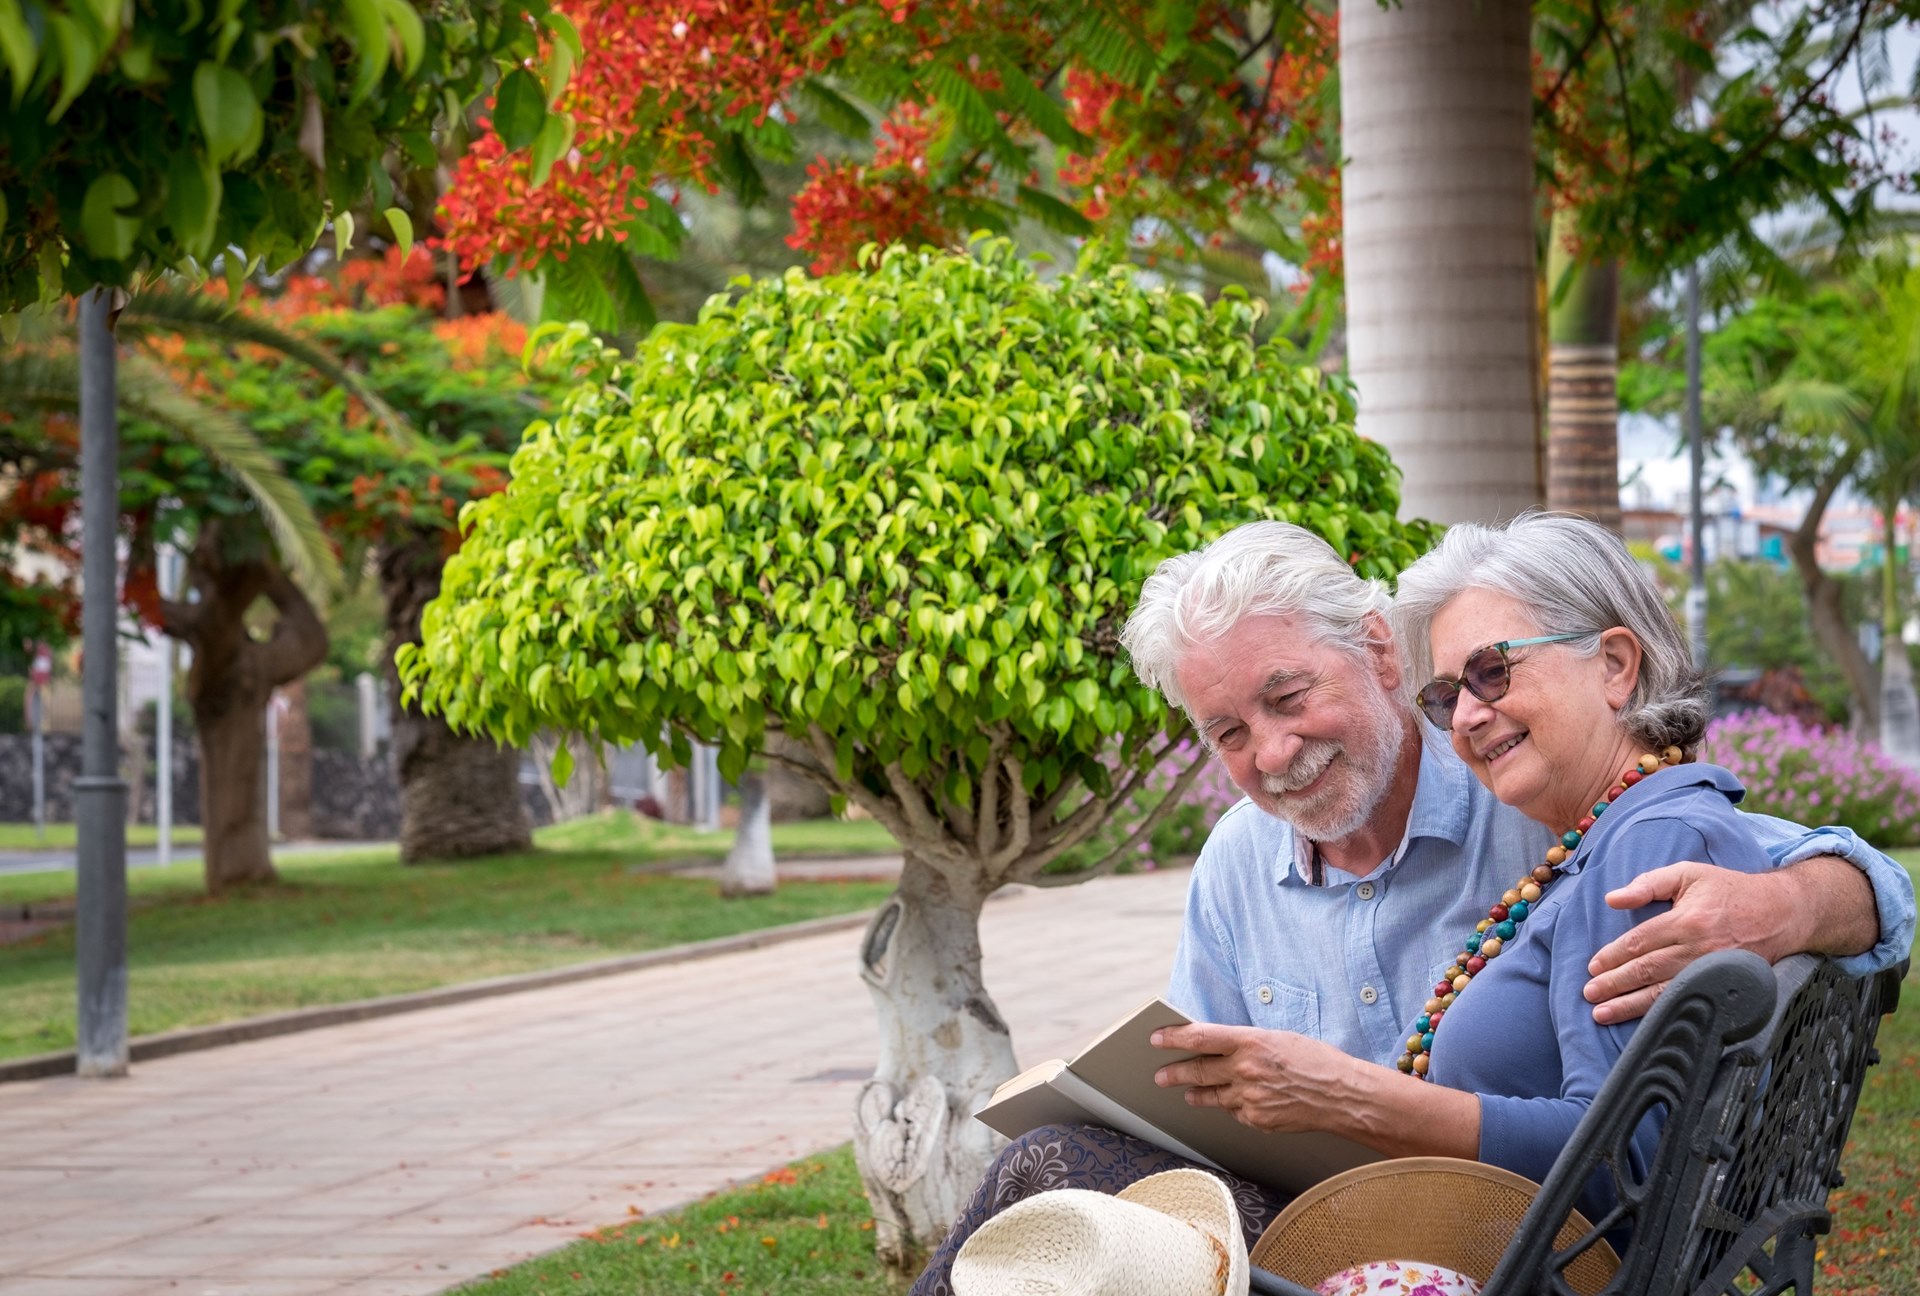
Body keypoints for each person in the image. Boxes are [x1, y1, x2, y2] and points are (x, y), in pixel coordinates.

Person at [908, 518, 1914, 1296]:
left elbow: (1853, 879)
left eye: (1289, 697)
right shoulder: (1240, 861)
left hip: (1483, 1250)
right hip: (1329, 1220)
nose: (1271, 753)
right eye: (1227, 732)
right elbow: (1194, 1110)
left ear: (1379, 654)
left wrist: (1789, 907)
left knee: (1051, 1173)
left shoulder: (1542, 794)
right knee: (1071, 1197)